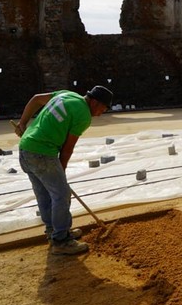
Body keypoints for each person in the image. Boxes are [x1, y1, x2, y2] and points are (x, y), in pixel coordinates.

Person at [13, 85, 113, 256]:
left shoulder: (67, 95)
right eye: (102, 109)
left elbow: (36, 98)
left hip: (26, 149)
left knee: (44, 195)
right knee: (61, 195)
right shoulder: (83, 115)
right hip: (43, 153)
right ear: (95, 102)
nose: (100, 114)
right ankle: (61, 240)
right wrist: (62, 170)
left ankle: (55, 232)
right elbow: (67, 148)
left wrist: (23, 123)